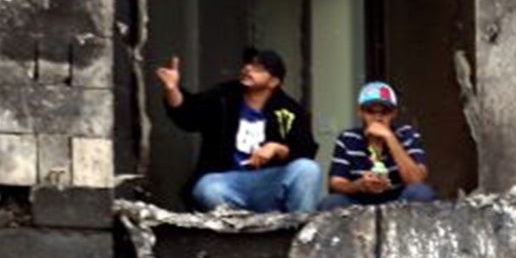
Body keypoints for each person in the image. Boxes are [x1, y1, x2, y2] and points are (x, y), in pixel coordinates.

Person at [157, 48, 325, 212]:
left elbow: (306, 150)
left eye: (258, 68)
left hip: (269, 184)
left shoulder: (289, 110)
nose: (248, 69)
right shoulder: (224, 97)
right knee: (207, 188)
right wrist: (172, 88)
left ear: (273, 81)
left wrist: (277, 148)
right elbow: (188, 115)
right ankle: (243, 229)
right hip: (228, 182)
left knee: (308, 169)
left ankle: (300, 233)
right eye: (248, 65)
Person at [322, 81, 437, 209]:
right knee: (331, 202)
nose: (378, 117)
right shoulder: (347, 139)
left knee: (421, 193)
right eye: (370, 111)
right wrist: (360, 185)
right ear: (360, 112)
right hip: (359, 201)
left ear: (394, 113)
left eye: (385, 111)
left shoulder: (407, 135)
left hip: (398, 201)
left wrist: (389, 138)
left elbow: (416, 180)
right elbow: (336, 183)